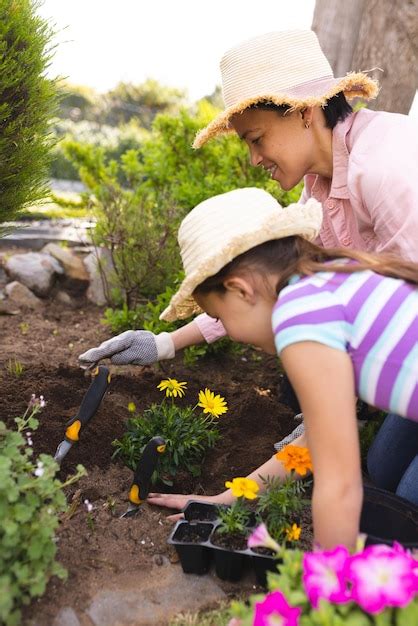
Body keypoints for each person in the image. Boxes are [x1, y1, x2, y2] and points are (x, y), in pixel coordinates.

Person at [78, 30, 418, 510]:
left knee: (407, 498)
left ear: (304, 110)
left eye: (257, 139)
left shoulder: (386, 169)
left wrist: (336, 405)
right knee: (383, 471)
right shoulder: (319, 189)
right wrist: (165, 343)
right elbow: (261, 290)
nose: (254, 158)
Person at [161, 187, 417, 548]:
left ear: (240, 290)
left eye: (219, 316)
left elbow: (339, 485)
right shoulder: (326, 278)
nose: (228, 332)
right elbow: (314, 442)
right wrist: (226, 499)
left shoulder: (299, 319)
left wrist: (325, 594)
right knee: (388, 472)